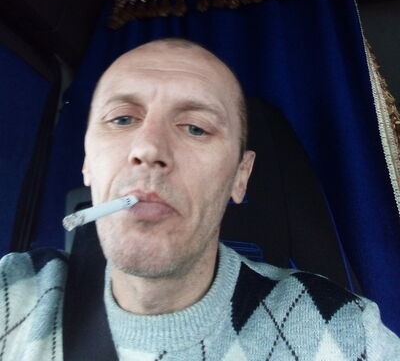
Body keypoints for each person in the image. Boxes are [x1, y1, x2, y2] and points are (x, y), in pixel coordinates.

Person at [1, 38, 399, 360]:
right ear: (88, 162)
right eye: (122, 119)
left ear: (240, 176)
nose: (149, 149)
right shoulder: (12, 294)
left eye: (195, 128)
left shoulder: (342, 332)